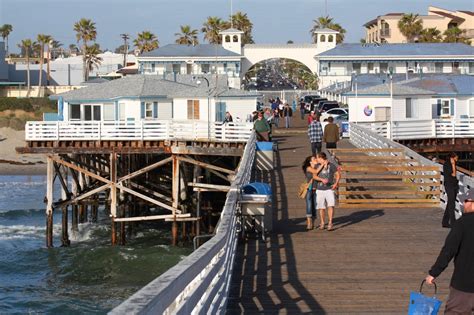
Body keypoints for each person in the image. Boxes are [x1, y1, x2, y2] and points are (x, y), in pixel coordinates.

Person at [425, 188, 474, 314]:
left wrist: (433, 273)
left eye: (466, 201)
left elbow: (448, 250)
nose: (464, 204)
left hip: (464, 285)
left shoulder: (462, 224)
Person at [314, 152, 340, 231]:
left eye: (317, 158)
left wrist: (336, 183)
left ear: (321, 158)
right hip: (319, 189)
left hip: (329, 189)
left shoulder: (331, 165)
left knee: (330, 205)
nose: (316, 159)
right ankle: (322, 222)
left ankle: (330, 223)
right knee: (321, 207)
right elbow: (314, 175)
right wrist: (321, 179)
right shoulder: (317, 166)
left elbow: (338, 174)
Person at [302, 155, 327, 230]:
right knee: (309, 205)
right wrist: (322, 164)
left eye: (316, 158)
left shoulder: (317, 166)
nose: (316, 159)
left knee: (315, 205)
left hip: (316, 189)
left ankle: (313, 222)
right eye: (314, 159)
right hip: (309, 189)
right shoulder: (308, 168)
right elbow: (315, 172)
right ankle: (309, 223)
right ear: (310, 162)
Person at [442, 152, 459, 228]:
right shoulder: (447, 164)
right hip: (449, 186)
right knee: (452, 205)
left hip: (454, 185)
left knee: (450, 203)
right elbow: (454, 174)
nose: (457, 158)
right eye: (456, 157)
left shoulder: (453, 164)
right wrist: (453, 165)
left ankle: (445, 222)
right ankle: (453, 223)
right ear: (452, 158)